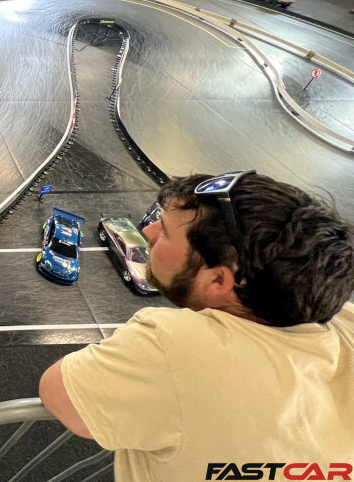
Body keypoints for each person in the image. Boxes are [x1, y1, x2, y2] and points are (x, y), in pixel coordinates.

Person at [39, 171, 354, 479]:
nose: (147, 232)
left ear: (218, 280)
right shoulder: (343, 321)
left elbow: (59, 393)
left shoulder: (174, 346)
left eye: (165, 232)